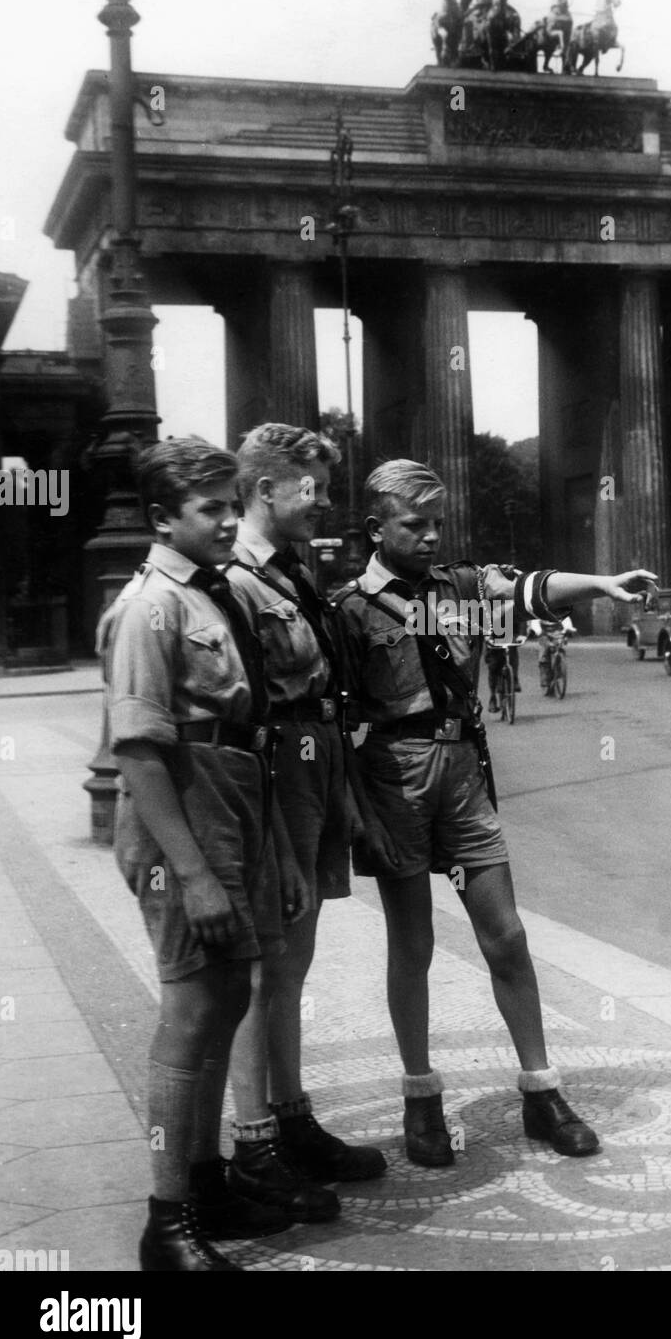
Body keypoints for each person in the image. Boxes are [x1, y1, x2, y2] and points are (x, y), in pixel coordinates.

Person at [334, 458, 657, 1167]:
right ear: (376, 528)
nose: (429, 537)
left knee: (505, 935)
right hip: (394, 778)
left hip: (461, 775)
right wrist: (362, 815)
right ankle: (421, 1098)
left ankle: (542, 1092)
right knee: (411, 944)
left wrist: (600, 583)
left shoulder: (460, 591)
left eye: (437, 524)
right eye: (413, 525)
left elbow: (535, 590)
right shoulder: (350, 611)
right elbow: (338, 727)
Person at [98, 436, 308, 1271]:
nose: (228, 520)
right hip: (181, 815)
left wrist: (278, 852)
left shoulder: (209, 594)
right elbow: (138, 751)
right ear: (162, 518)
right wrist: (190, 874)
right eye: (210, 509)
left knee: (224, 1003)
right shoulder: (150, 606)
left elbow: (248, 730)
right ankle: (167, 1222)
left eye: (231, 505)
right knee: (189, 1016)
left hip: (232, 804)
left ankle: (206, 1180)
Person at [223, 424, 389, 1215]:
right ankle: (254, 1144)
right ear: (266, 490)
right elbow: (243, 713)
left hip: (317, 762)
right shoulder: (236, 581)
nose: (324, 500)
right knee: (266, 964)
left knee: (294, 961)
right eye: (312, 487)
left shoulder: (293, 572)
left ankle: (292, 1120)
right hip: (276, 769)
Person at [531, 614, 576, 692]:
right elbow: (535, 622)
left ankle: (559, 667)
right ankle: (545, 676)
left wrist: (568, 628)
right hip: (544, 632)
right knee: (544, 652)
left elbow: (565, 619)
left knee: (559, 645)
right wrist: (539, 631)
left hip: (557, 632)